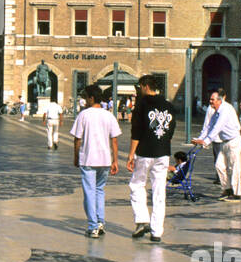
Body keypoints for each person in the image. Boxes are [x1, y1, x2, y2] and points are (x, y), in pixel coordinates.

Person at [128, 74, 175, 242]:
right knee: (159, 190)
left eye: (140, 87)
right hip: (163, 152)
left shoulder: (141, 105)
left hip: (145, 152)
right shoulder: (169, 106)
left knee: (137, 184)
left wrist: (131, 154)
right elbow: (170, 132)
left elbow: (137, 132)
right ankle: (157, 232)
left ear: (146, 86)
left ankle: (142, 220)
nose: (140, 90)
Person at [71, 84, 121, 238]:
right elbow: (114, 140)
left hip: (88, 159)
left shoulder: (84, 115)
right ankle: (100, 222)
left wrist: (76, 157)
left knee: (89, 192)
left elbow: (77, 139)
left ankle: (93, 226)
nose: (84, 100)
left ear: (91, 98)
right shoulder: (109, 115)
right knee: (99, 190)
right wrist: (115, 161)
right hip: (105, 160)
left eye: (85, 97)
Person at [193, 87, 241, 200]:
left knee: (234, 168)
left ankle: (236, 193)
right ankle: (227, 189)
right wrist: (199, 139)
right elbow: (209, 126)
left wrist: (206, 141)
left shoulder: (226, 109)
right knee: (219, 165)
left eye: (212, 100)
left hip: (233, 141)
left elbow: (217, 127)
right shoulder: (216, 111)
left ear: (220, 100)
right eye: (210, 99)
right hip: (224, 142)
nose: (210, 102)